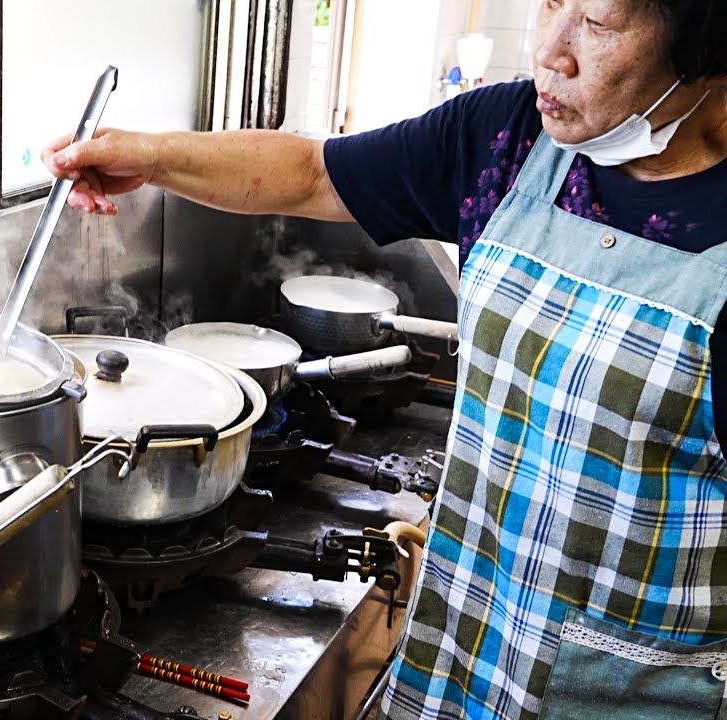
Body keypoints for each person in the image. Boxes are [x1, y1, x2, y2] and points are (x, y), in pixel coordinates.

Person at [42, 1, 727, 717]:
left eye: (600, 23)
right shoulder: (510, 137)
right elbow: (310, 173)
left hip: (627, 690)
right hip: (463, 642)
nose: (551, 53)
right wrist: (151, 156)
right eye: (550, 2)